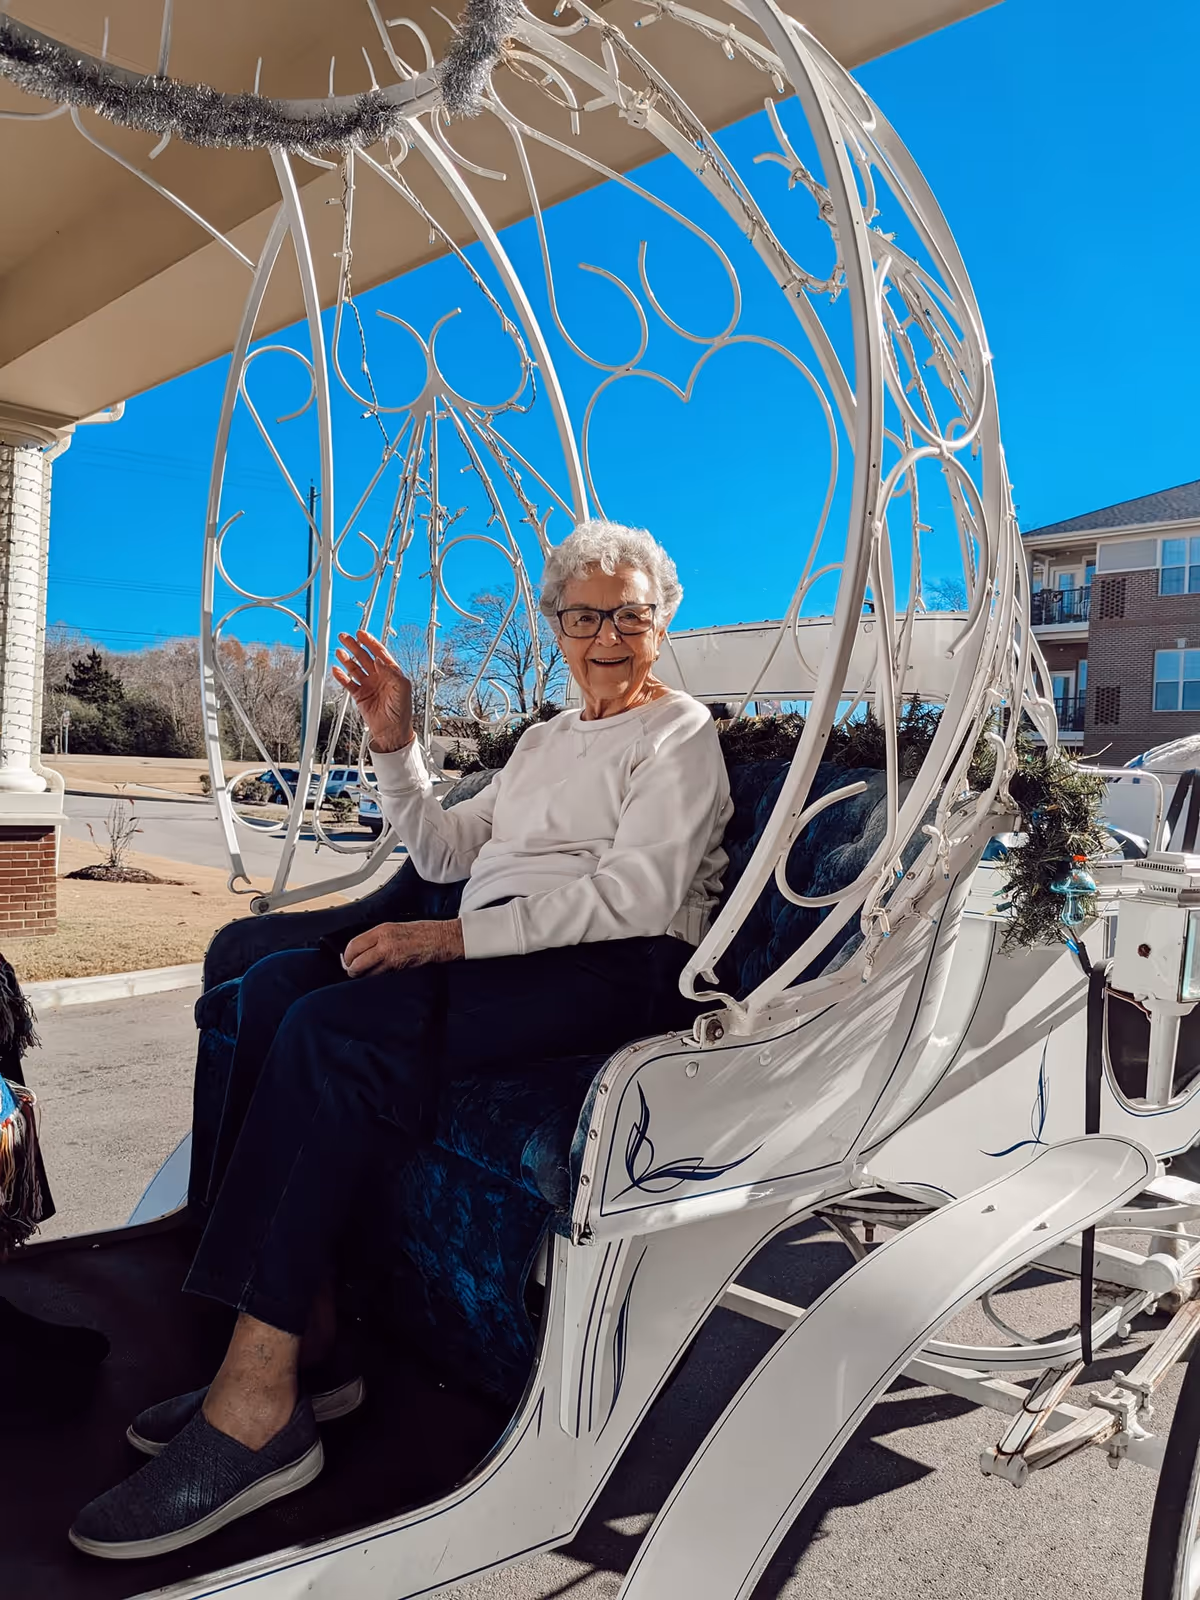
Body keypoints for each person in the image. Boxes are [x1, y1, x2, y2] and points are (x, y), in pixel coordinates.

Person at [69, 519, 733, 1559]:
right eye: (586, 615)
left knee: (337, 1035)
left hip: (615, 970)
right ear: (554, 625)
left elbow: (636, 897)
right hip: (506, 954)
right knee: (280, 993)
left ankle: (258, 1410)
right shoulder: (551, 737)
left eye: (631, 615)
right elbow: (441, 843)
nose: (609, 637)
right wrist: (395, 740)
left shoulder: (679, 732)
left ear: (664, 620)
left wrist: (452, 938)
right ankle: (310, 1337)